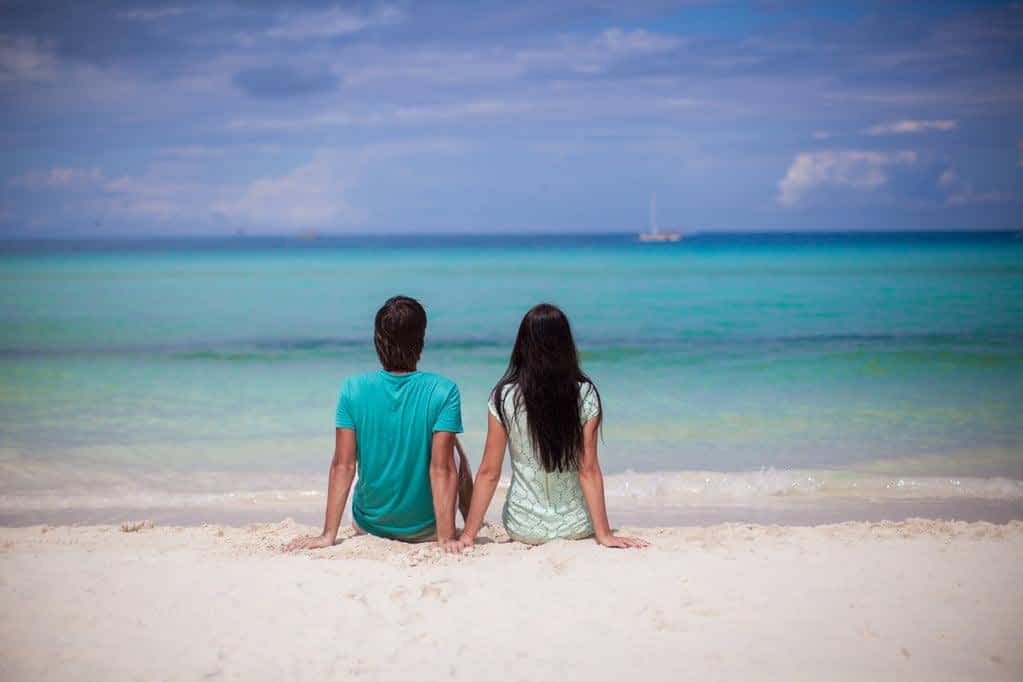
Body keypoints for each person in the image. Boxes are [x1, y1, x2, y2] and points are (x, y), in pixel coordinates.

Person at [452, 303, 647, 552]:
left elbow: (489, 472)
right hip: (576, 525)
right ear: (566, 344)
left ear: (522, 345)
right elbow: (588, 469)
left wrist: (469, 534)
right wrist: (604, 534)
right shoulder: (584, 394)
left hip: (523, 526)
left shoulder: (504, 396)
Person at [285, 296, 473, 552]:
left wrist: (328, 534)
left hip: (369, 526)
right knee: (454, 451)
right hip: (427, 530)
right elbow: (442, 469)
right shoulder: (444, 390)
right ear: (421, 340)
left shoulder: (352, 389)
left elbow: (344, 465)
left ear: (377, 340)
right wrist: (445, 538)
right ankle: (474, 521)